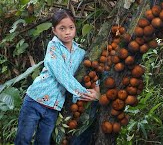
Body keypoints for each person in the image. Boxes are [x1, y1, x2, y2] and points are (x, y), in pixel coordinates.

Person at [15, 9, 100, 145]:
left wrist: (97, 91)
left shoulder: (81, 53)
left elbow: (91, 73)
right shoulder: (53, 47)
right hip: (35, 100)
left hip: (54, 108)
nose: (67, 32)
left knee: (43, 142)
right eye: (62, 28)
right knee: (23, 139)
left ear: (75, 28)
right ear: (54, 30)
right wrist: (83, 93)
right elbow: (62, 74)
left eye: (71, 27)